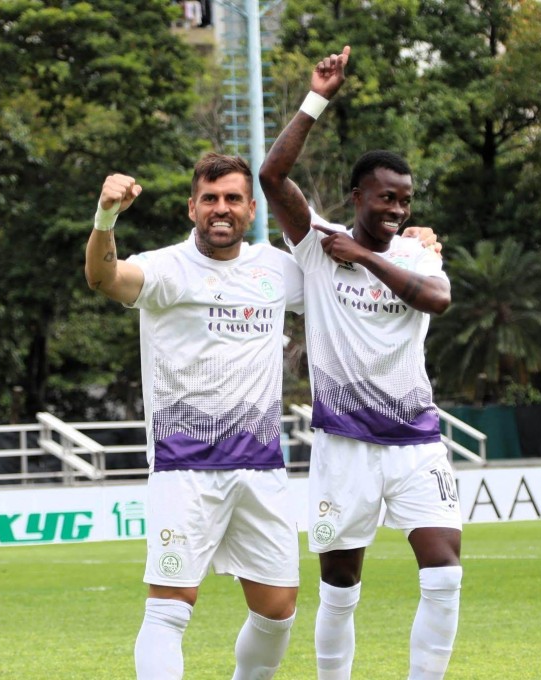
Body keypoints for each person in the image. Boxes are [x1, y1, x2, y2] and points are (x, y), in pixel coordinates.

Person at [258, 46, 464, 680]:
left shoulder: (418, 258)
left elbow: (437, 300)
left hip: (416, 443)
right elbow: (271, 178)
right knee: (341, 583)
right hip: (343, 447)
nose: (397, 208)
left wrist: (370, 256)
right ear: (358, 194)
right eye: (385, 197)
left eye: (404, 200)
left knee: (445, 569)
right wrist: (317, 97)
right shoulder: (318, 247)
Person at [84, 153, 303, 679]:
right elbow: (102, 277)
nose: (220, 209)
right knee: (170, 606)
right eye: (210, 199)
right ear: (192, 208)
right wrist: (105, 217)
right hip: (185, 468)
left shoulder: (277, 269)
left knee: (278, 611)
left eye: (232, 198)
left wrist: (415, 247)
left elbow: (348, 276)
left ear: (252, 208)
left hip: (262, 467)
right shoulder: (165, 268)